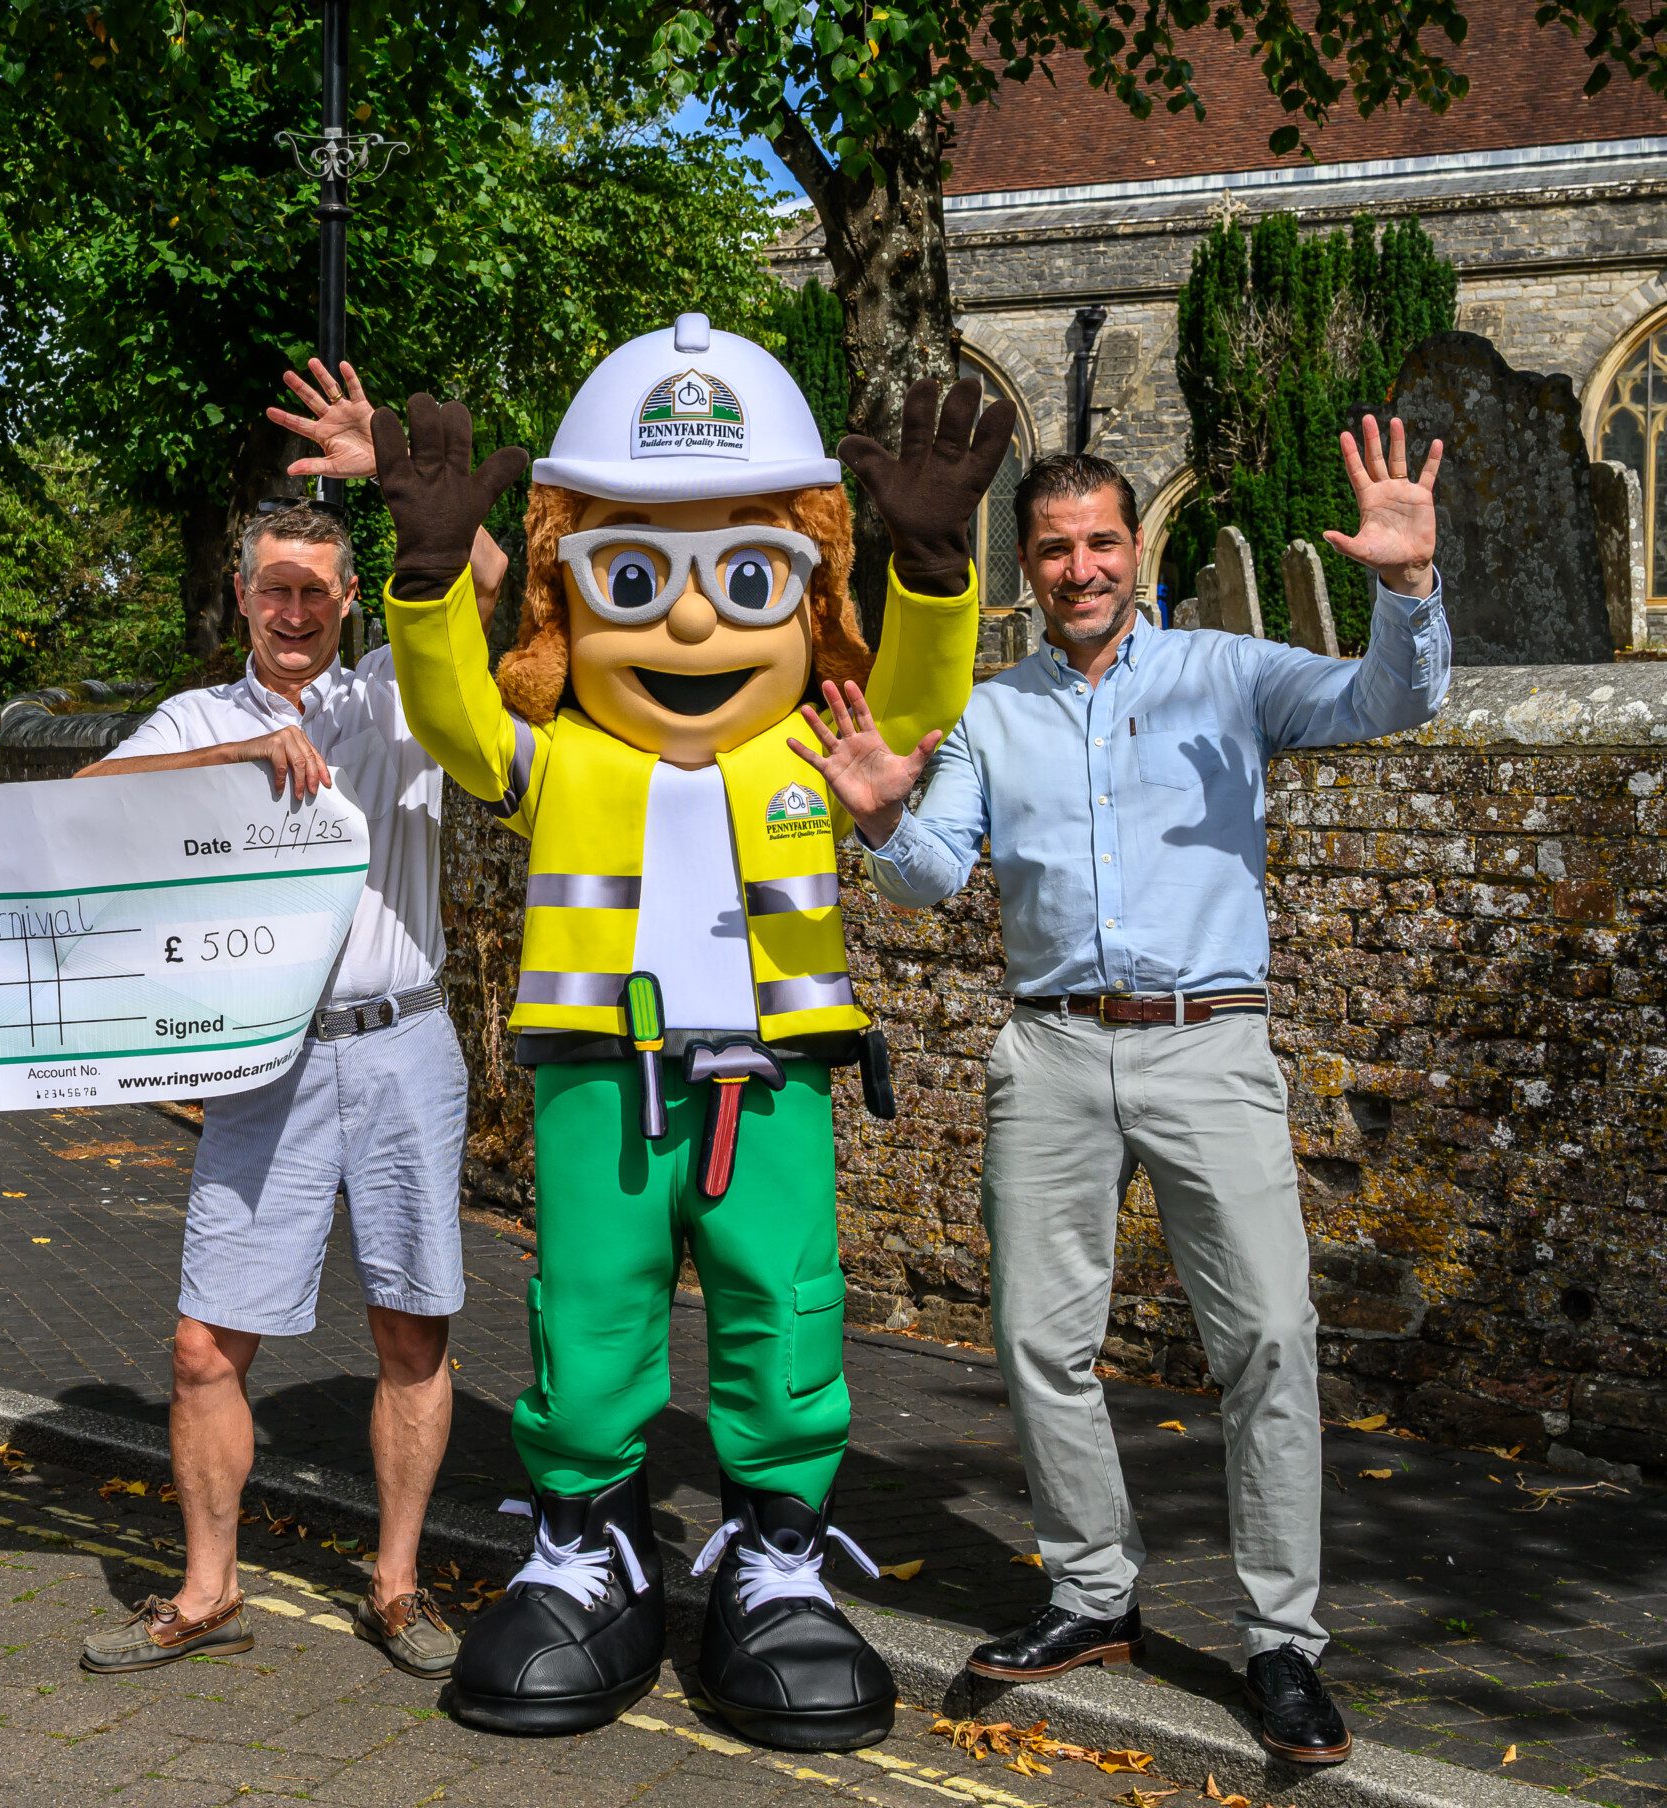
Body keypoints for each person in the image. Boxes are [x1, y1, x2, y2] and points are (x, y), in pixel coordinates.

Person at [372, 321, 994, 1749]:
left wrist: (933, 571)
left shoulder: (811, 750)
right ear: (564, 596)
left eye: (751, 577)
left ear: (809, 591)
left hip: (771, 1079)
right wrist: (427, 580)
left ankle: (778, 1563)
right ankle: (586, 1548)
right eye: (633, 580)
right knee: (591, 1306)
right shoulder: (561, 755)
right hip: (602, 1077)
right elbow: (454, 718)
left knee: (785, 1304)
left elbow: (905, 712)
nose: (695, 628)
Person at [798, 419, 1449, 1766]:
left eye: (1102, 541)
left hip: (1209, 1042)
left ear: (1138, 548)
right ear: (1027, 567)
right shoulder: (991, 711)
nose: (1081, 567)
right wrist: (878, 816)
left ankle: (1281, 1641)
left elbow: (1388, 700)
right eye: (1054, 549)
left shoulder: (1227, 671)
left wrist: (1405, 586)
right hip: (1049, 1050)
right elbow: (928, 878)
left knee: (1268, 1338)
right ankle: (1092, 1593)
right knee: (1039, 1340)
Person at [69, 366, 506, 1678]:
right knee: (206, 1343)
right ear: (243, 596)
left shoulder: (399, 693)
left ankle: (397, 1584)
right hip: (262, 1057)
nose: (296, 611)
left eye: (317, 590)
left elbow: (495, 588)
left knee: (411, 1330)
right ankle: (207, 1591)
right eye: (276, 589)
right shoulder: (200, 715)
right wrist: (233, 758)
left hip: (402, 1039)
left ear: (351, 598)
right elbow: (83, 799)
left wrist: (397, 472)